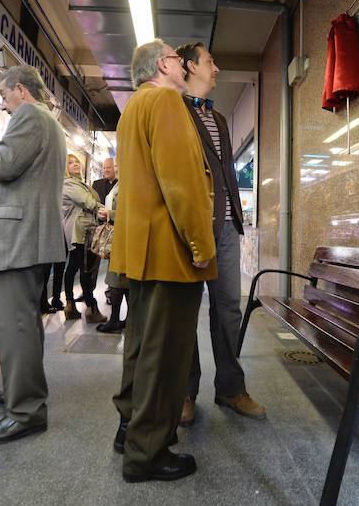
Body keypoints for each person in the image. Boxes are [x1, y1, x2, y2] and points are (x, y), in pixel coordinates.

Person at [110, 39, 217, 483]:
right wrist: (202, 246)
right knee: (166, 354)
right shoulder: (167, 102)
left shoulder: (134, 107)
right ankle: (148, 453)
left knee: (140, 346)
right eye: (176, 57)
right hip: (170, 252)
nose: (181, 64)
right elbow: (182, 184)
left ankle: (129, 427)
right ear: (162, 64)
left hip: (140, 250)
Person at [0, 65, 66, 446]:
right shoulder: (47, 122)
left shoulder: (30, 116)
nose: (4, 105)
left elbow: (4, 166)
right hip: (27, 238)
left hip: (16, 240)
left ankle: (25, 411)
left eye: (4, 96)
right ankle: (22, 391)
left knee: (14, 328)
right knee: (23, 325)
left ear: (20, 89)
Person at [175, 42, 266, 426]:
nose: (216, 68)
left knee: (228, 308)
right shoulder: (174, 110)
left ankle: (230, 387)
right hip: (193, 226)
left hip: (227, 228)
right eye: (210, 61)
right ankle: (185, 391)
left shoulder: (220, 119)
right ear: (190, 66)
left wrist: (236, 219)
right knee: (185, 311)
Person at [61, 153, 106, 323]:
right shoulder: (70, 184)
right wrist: (108, 211)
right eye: (70, 163)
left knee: (73, 267)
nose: (75, 164)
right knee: (86, 270)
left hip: (78, 232)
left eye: (77, 162)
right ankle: (91, 308)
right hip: (81, 233)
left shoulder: (77, 183)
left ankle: (70, 305)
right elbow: (88, 202)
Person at [95, 179, 126, 334]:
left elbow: (132, 209)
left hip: (124, 237)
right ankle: (123, 319)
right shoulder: (120, 183)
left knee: (117, 280)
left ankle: (115, 320)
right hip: (119, 236)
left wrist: (111, 214)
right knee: (119, 281)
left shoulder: (129, 181)